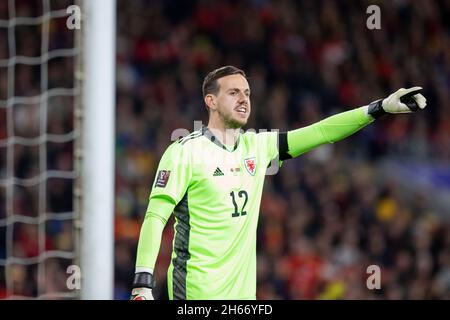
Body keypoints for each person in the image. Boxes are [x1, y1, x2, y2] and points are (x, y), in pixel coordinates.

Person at [130, 65, 427, 300]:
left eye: (247, 93)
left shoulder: (259, 147)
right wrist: (143, 283)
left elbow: (321, 132)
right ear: (211, 101)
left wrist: (378, 108)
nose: (244, 99)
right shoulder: (185, 151)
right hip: (196, 295)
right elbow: (156, 217)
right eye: (234, 92)